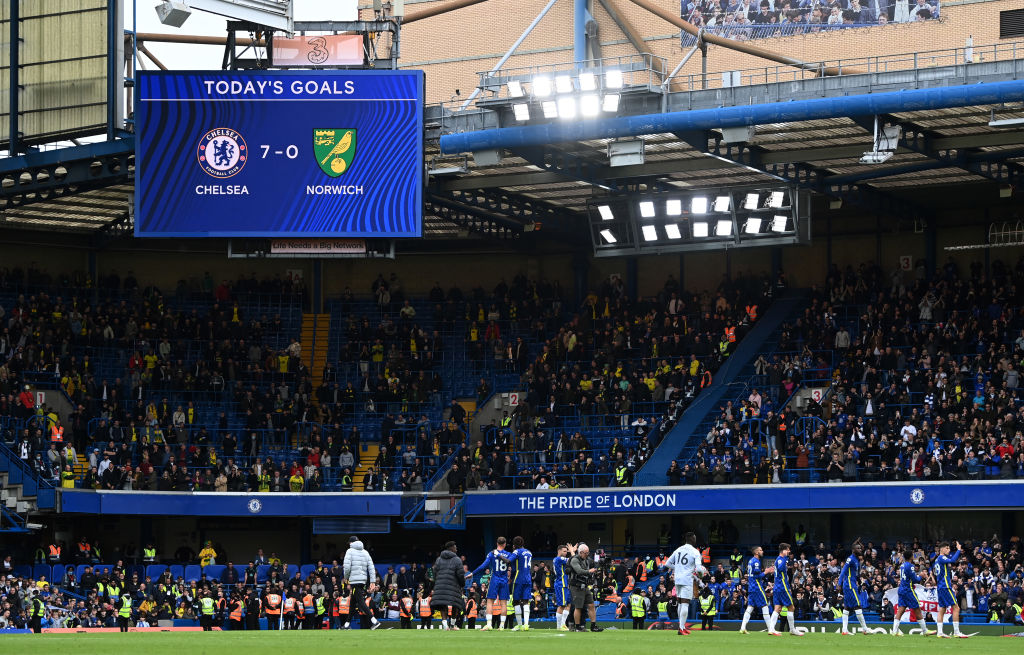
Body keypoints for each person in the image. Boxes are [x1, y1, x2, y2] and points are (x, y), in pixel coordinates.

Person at [663, 531, 705, 635]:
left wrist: (677, 568)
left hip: (677, 579)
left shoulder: (678, 549)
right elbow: (699, 568)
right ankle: (681, 629)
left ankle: (681, 627)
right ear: (692, 539)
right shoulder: (695, 551)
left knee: (681, 603)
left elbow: (667, 563)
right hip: (687, 579)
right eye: (694, 538)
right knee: (685, 603)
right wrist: (700, 576)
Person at [467, 536, 512, 630]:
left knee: (490, 602)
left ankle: (489, 624)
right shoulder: (508, 554)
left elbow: (483, 566)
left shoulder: (491, 554)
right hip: (504, 580)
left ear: (497, 543)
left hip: (495, 579)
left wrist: (473, 573)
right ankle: (502, 626)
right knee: (504, 603)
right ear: (504, 544)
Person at [343, 535, 381, 629]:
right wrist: (372, 581)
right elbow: (371, 567)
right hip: (362, 580)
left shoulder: (349, 551)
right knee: (353, 602)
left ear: (351, 543)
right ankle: (347, 624)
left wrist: (346, 578)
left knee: (360, 602)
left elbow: (347, 567)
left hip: (354, 581)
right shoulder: (365, 552)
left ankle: (374, 621)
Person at [892, 550, 931, 636]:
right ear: (911, 557)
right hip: (908, 590)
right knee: (917, 608)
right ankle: (925, 630)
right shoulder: (910, 566)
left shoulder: (902, 565)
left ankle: (894, 631)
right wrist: (920, 576)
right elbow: (915, 580)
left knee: (900, 610)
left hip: (901, 589)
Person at [933, 541, 967, 638]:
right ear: (942, 549)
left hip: (940, 587)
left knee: (942, 609)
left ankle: (940, 632)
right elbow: (952, 560)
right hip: (945, 586)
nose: (949, 550)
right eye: (947, 548)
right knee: (956, 608)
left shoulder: (937, 560)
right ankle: (956, 632)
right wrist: (959, 550)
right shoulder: (941, 557)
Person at [568, 542, 603, 632]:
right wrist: (589, 571)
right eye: (586, 553)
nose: (587, 554)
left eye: (588, 552)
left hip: (585, 585)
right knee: (578, 607)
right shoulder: (574, 560)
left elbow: (593, 566)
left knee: (591, 604)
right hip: (576, 586)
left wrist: (596, 570)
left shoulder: (586, 559)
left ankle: (593, 626)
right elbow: (579, 571)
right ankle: (578, 626)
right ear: (580, 552)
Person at [431, 540, 465, 631]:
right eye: (455, 547)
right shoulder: (457, 560)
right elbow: (461, 574)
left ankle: (445, 626)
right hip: (454, 586)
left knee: (443, 605)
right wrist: (462, 584)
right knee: (456, 605)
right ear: (451, 548)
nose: (456, 549)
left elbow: (434, 572)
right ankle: (453, 625)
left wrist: (437, 582)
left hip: (440, 585)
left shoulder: (438, 559)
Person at [739, 545, 774, 633]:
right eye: (761, 550)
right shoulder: (756, 562)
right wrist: (766, 572)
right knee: (764, 606)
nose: (762, 551)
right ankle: (770, 629)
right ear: (756, 552)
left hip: (751, 587)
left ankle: (742, 628)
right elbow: (757, 577)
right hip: (757, 586)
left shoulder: (750, 561)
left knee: (750, 607)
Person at [768, 543, 801, 636]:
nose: (789, 551)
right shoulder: (782, 560)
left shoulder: (778, 560)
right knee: (791, 607)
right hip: (783, 587)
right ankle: (792, 630)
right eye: (788, 550)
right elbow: (781, 569)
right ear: (783, 550)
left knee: (777, 608)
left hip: (777, 587)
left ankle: (771, 629)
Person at [840, 539, 870, 635]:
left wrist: (860, 546)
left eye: (860, 548)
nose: (860, 549)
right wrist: (839, 583)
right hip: (849, 585)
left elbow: (863, 552)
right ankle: (865, 629)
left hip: (851, 584)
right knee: (858, 605)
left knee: (847, 607)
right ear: (853, 550)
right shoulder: (850, 559)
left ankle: (844, 630)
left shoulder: (856, 559)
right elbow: (843, 571)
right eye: (858, 548)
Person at [507, 536, 534, 631]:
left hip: (518, 579)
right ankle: (526, 625)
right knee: (526, 601)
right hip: (528, 578)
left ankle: (519, 625)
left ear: (514, 545)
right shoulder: (529, 552)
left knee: (516, 601)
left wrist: (498, 555)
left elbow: (508, 561)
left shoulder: (516, 552)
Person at [552, 543, 573, 631]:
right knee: (562, 605)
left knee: (568, 604)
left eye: (566, 551)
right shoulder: (559, 559)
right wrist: (572, 551)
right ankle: (560, 625)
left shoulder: (558, 559)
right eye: (564, 551)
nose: (565, 553)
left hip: (564, 584)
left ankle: (561, 625)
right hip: (561, 584)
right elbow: (573, 560)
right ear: (559, 551)